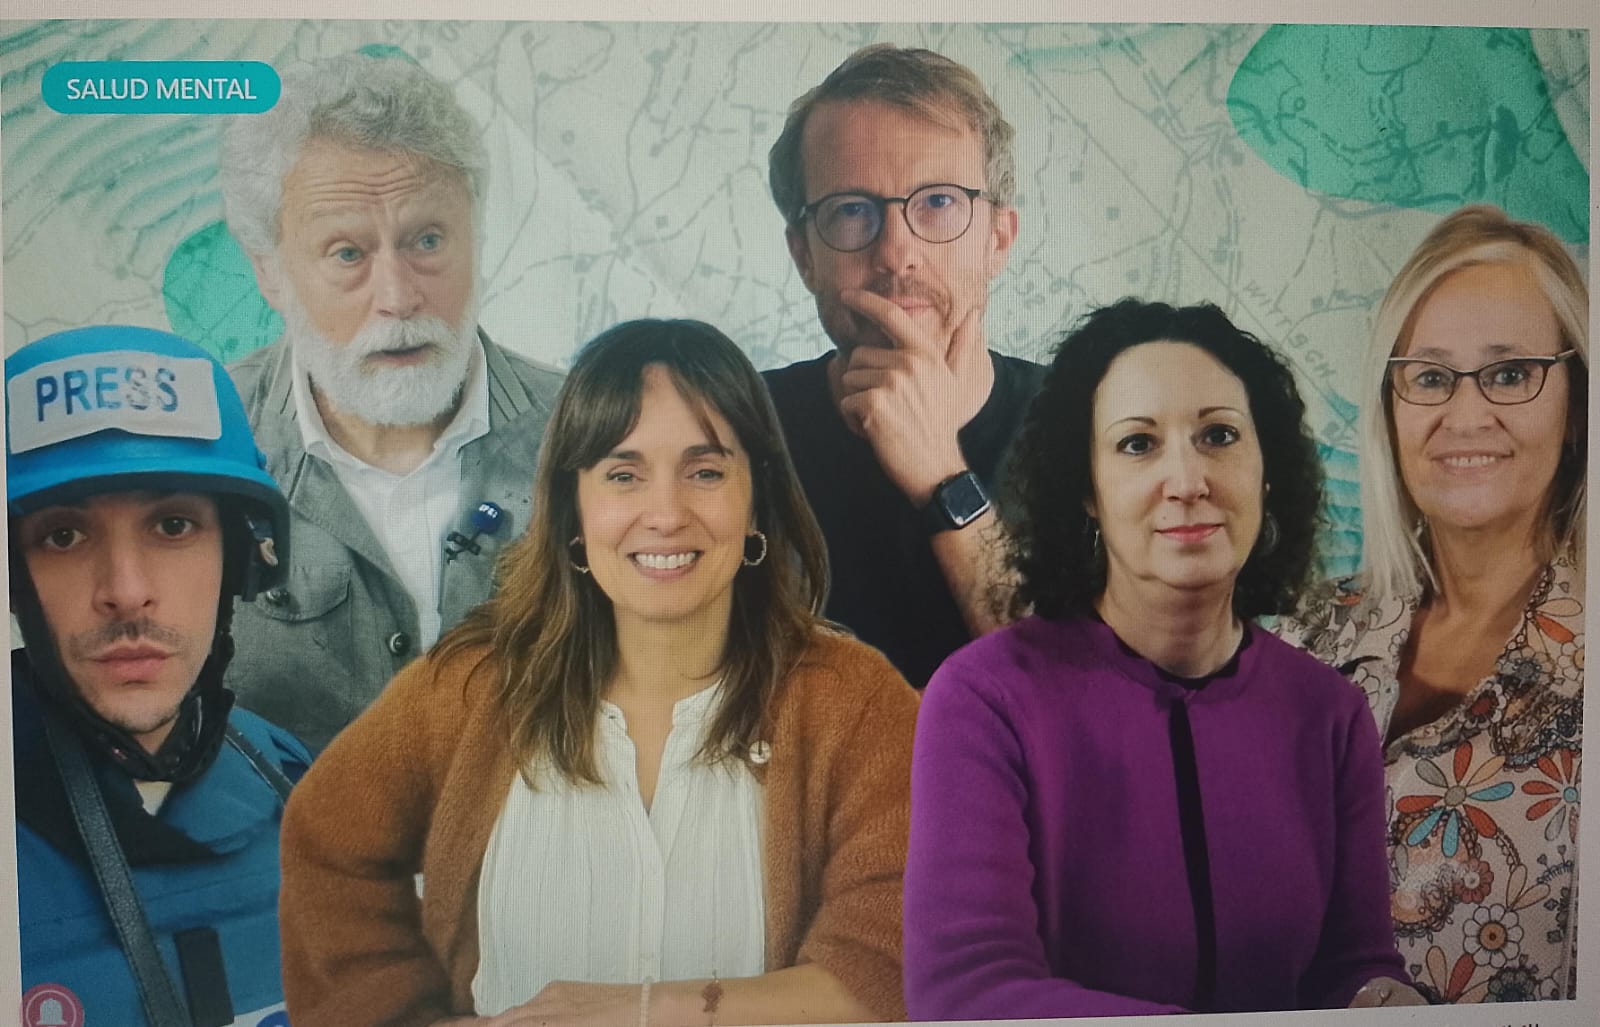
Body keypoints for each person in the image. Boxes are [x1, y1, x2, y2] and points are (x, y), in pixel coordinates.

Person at [276, 319, 919, 1025]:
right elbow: (326, 842)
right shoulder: (471, 687)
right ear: (573, 508)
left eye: (705, 471)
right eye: (623, 473)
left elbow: (888, 970)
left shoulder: (858, 706)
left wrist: (643, 1011)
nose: (666, 514)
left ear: (756, 498)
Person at [903, 299, 1424, 1018]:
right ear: (1086, 488)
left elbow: (1351, 964)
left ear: (1266, 470)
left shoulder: (1331, 714)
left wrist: (1384, 996)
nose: (1187, 479)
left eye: (1218, 435)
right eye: (1137, 444)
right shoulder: (983, 699)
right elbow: (967, 991)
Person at [1276, 205, 1586, 1003]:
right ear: (1391, 402)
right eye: (1431, 376)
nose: (1466, 414)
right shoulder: (1307, 634)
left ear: (1578, 404)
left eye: (1512, 372)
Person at [217, 52, 566, 752]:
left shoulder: (592, 434)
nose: (399, 297)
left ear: (477, 236)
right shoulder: (204, 445)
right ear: (270, 272)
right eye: (347, 253)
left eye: (428, 240)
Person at [7, 325, 311, 1027]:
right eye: (62, 535)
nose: (126, 590)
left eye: (173, 525)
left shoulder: (299, 782)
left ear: (238, 558)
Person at [762, 44, 1044, 689]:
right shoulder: (730, 430)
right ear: (805, 255)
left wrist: (940, 473)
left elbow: (1090, 709)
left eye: (939, 203)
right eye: (851, 210)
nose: (896, 254)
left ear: (998, 238)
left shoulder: (1102, 428)